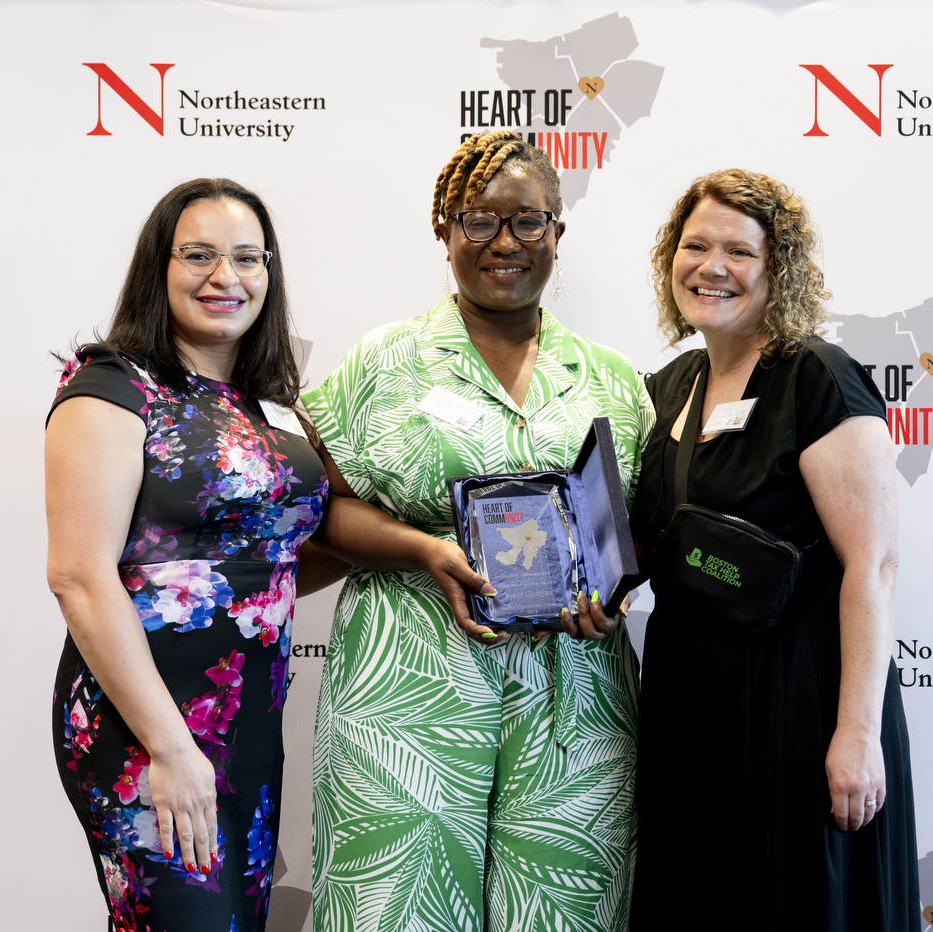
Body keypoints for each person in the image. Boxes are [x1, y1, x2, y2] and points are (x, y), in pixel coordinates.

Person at [303, 130, 655, 932]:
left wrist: (611, 592)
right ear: (444, 231)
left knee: (562, 911)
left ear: (558, 235)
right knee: (396, 908)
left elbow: (633, 531)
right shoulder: (383, 362)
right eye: (478, 220)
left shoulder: (614, 381)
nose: (504, 242)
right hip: (408, 685)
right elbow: (322, 509)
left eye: (528, 222)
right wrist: (423, 547)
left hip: (576, 697)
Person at [45, 178, 345, 932]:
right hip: (146, 726)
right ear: (161, 266)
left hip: (248, 725)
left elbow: (266, 565)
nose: (225, 277)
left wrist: (410, 549)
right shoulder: (111, 386)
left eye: (247, 257)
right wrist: (171, 749)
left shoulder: (265, 401)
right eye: (200, 255)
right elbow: (80, 577)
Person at [628, 169, 919, 928]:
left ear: (777, 268)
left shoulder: (816, 376)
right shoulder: (665, 389)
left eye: (738, 251)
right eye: (694, 246)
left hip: (799, 701)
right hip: (691, 707)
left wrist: (855, 731)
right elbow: (645, 541)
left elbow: (874, 563)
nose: (711, 267)